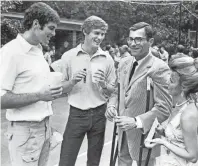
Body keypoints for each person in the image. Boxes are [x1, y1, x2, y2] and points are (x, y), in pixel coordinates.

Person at [0, 2, 62, 166]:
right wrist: (40, 96)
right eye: (51, 28)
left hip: (44, 128)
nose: (54, 33)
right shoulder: (11, 52)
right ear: (36, 24)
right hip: (25, 131)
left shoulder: (38, 51)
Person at [106, 22, 172, 166]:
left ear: (150, 41)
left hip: (144, 136)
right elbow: (118, 91)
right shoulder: (124, 63)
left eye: (139, 39)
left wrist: (136, 122)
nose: (133, 43)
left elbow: (164, 107)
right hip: (123, 133)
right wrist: (111, 106)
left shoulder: (159, 68)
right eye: (130, 39)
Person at [58, 15, 116, 166]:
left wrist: (103, 84)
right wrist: (72, 81)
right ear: (85, 31)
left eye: (102, 34)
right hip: (77, 114)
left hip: (99, 114)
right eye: (96, 33)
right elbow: (59, 88)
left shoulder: (107, 58)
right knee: (66, 160)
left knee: (94, 162)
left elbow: (112, 91)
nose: (100, 37)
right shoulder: (69, 57)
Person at [146, 54, 198, 166]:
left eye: (171, 81)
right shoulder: (178, 105)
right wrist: (163, 132)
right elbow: (181, 139)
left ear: (183, 87)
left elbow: (193, 156)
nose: (167, 83)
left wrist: (162, 142)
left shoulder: (188, 114)